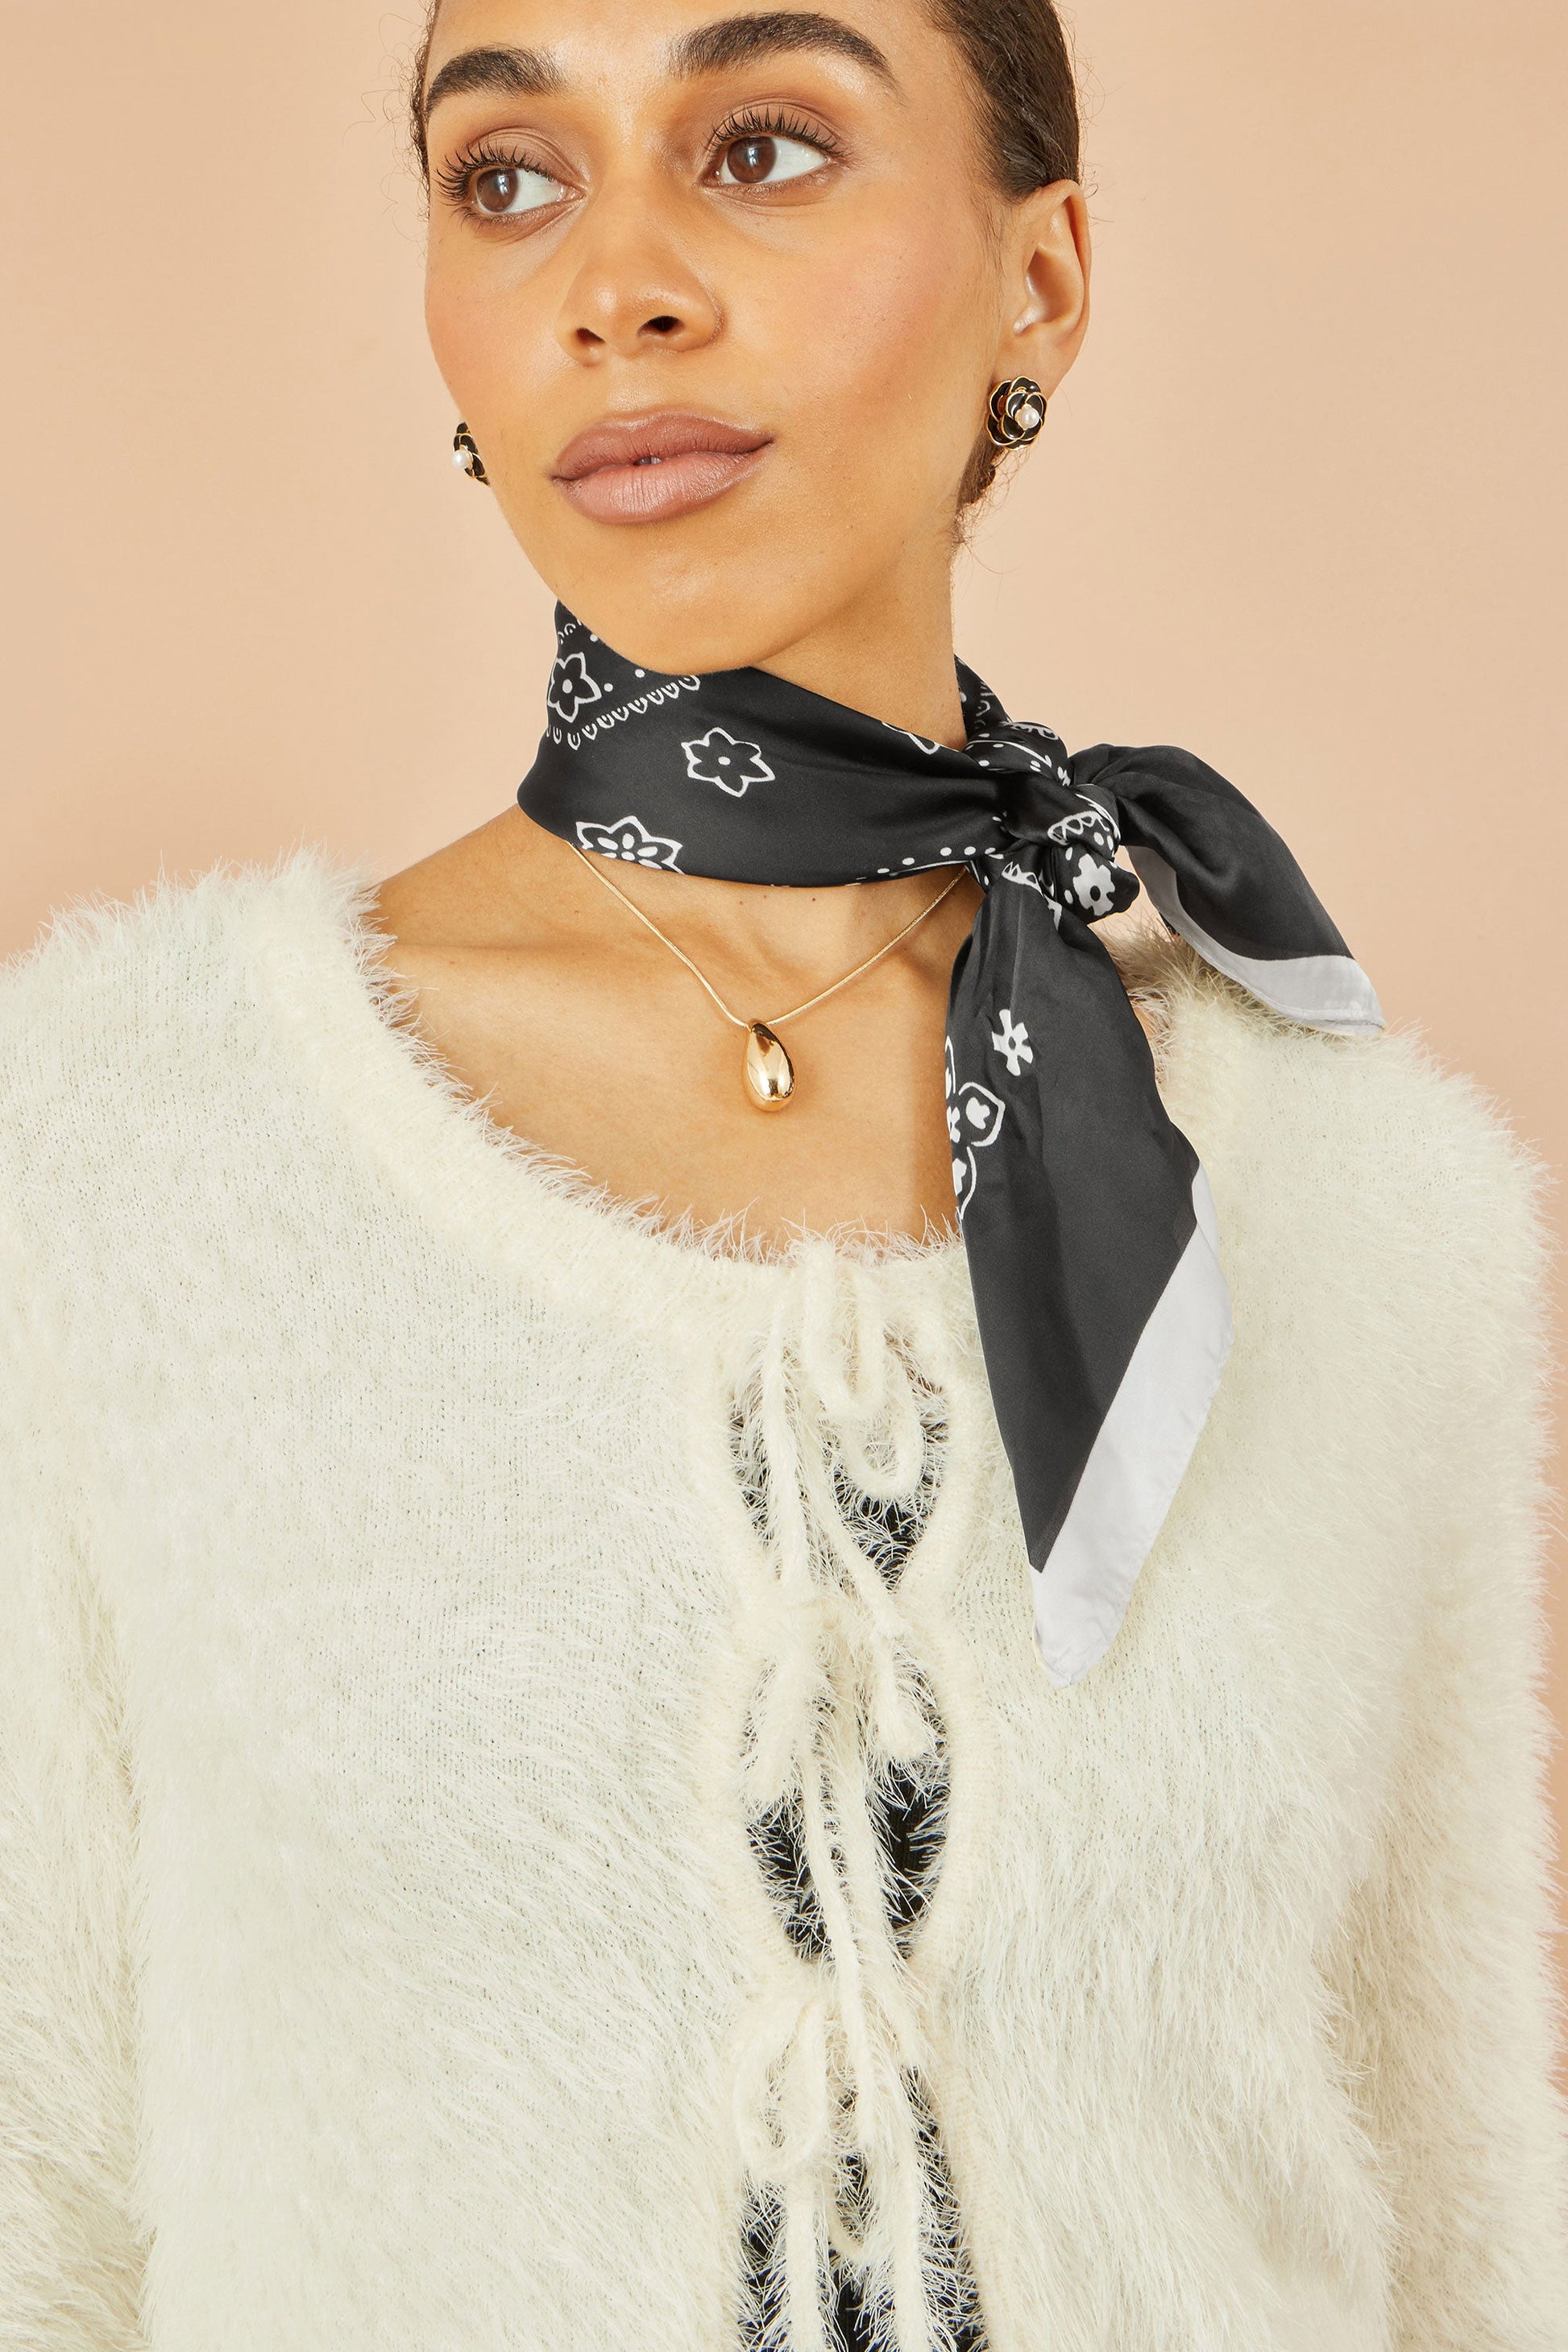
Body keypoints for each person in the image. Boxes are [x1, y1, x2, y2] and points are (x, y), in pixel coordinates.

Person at [2, 1, 1565, 2346]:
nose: (615, 282)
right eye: (508, 177)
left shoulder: (1376, 1207)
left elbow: (1464, 2210)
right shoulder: (114, 1139)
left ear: (1038, 278)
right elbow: (32, 2195)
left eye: (762, 146)